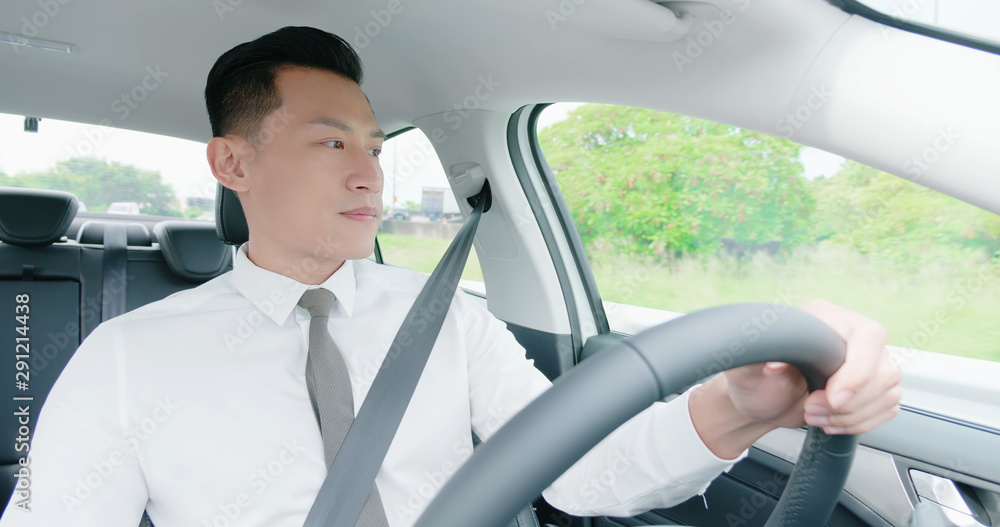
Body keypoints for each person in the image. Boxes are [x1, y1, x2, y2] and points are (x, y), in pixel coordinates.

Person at [0, 26, 901, 527]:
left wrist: (738, 403)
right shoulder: (128, 355)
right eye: (331, 144)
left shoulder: (445, 319)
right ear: (233, 163)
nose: (370, 175)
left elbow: (582, 472)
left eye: (374, 147)